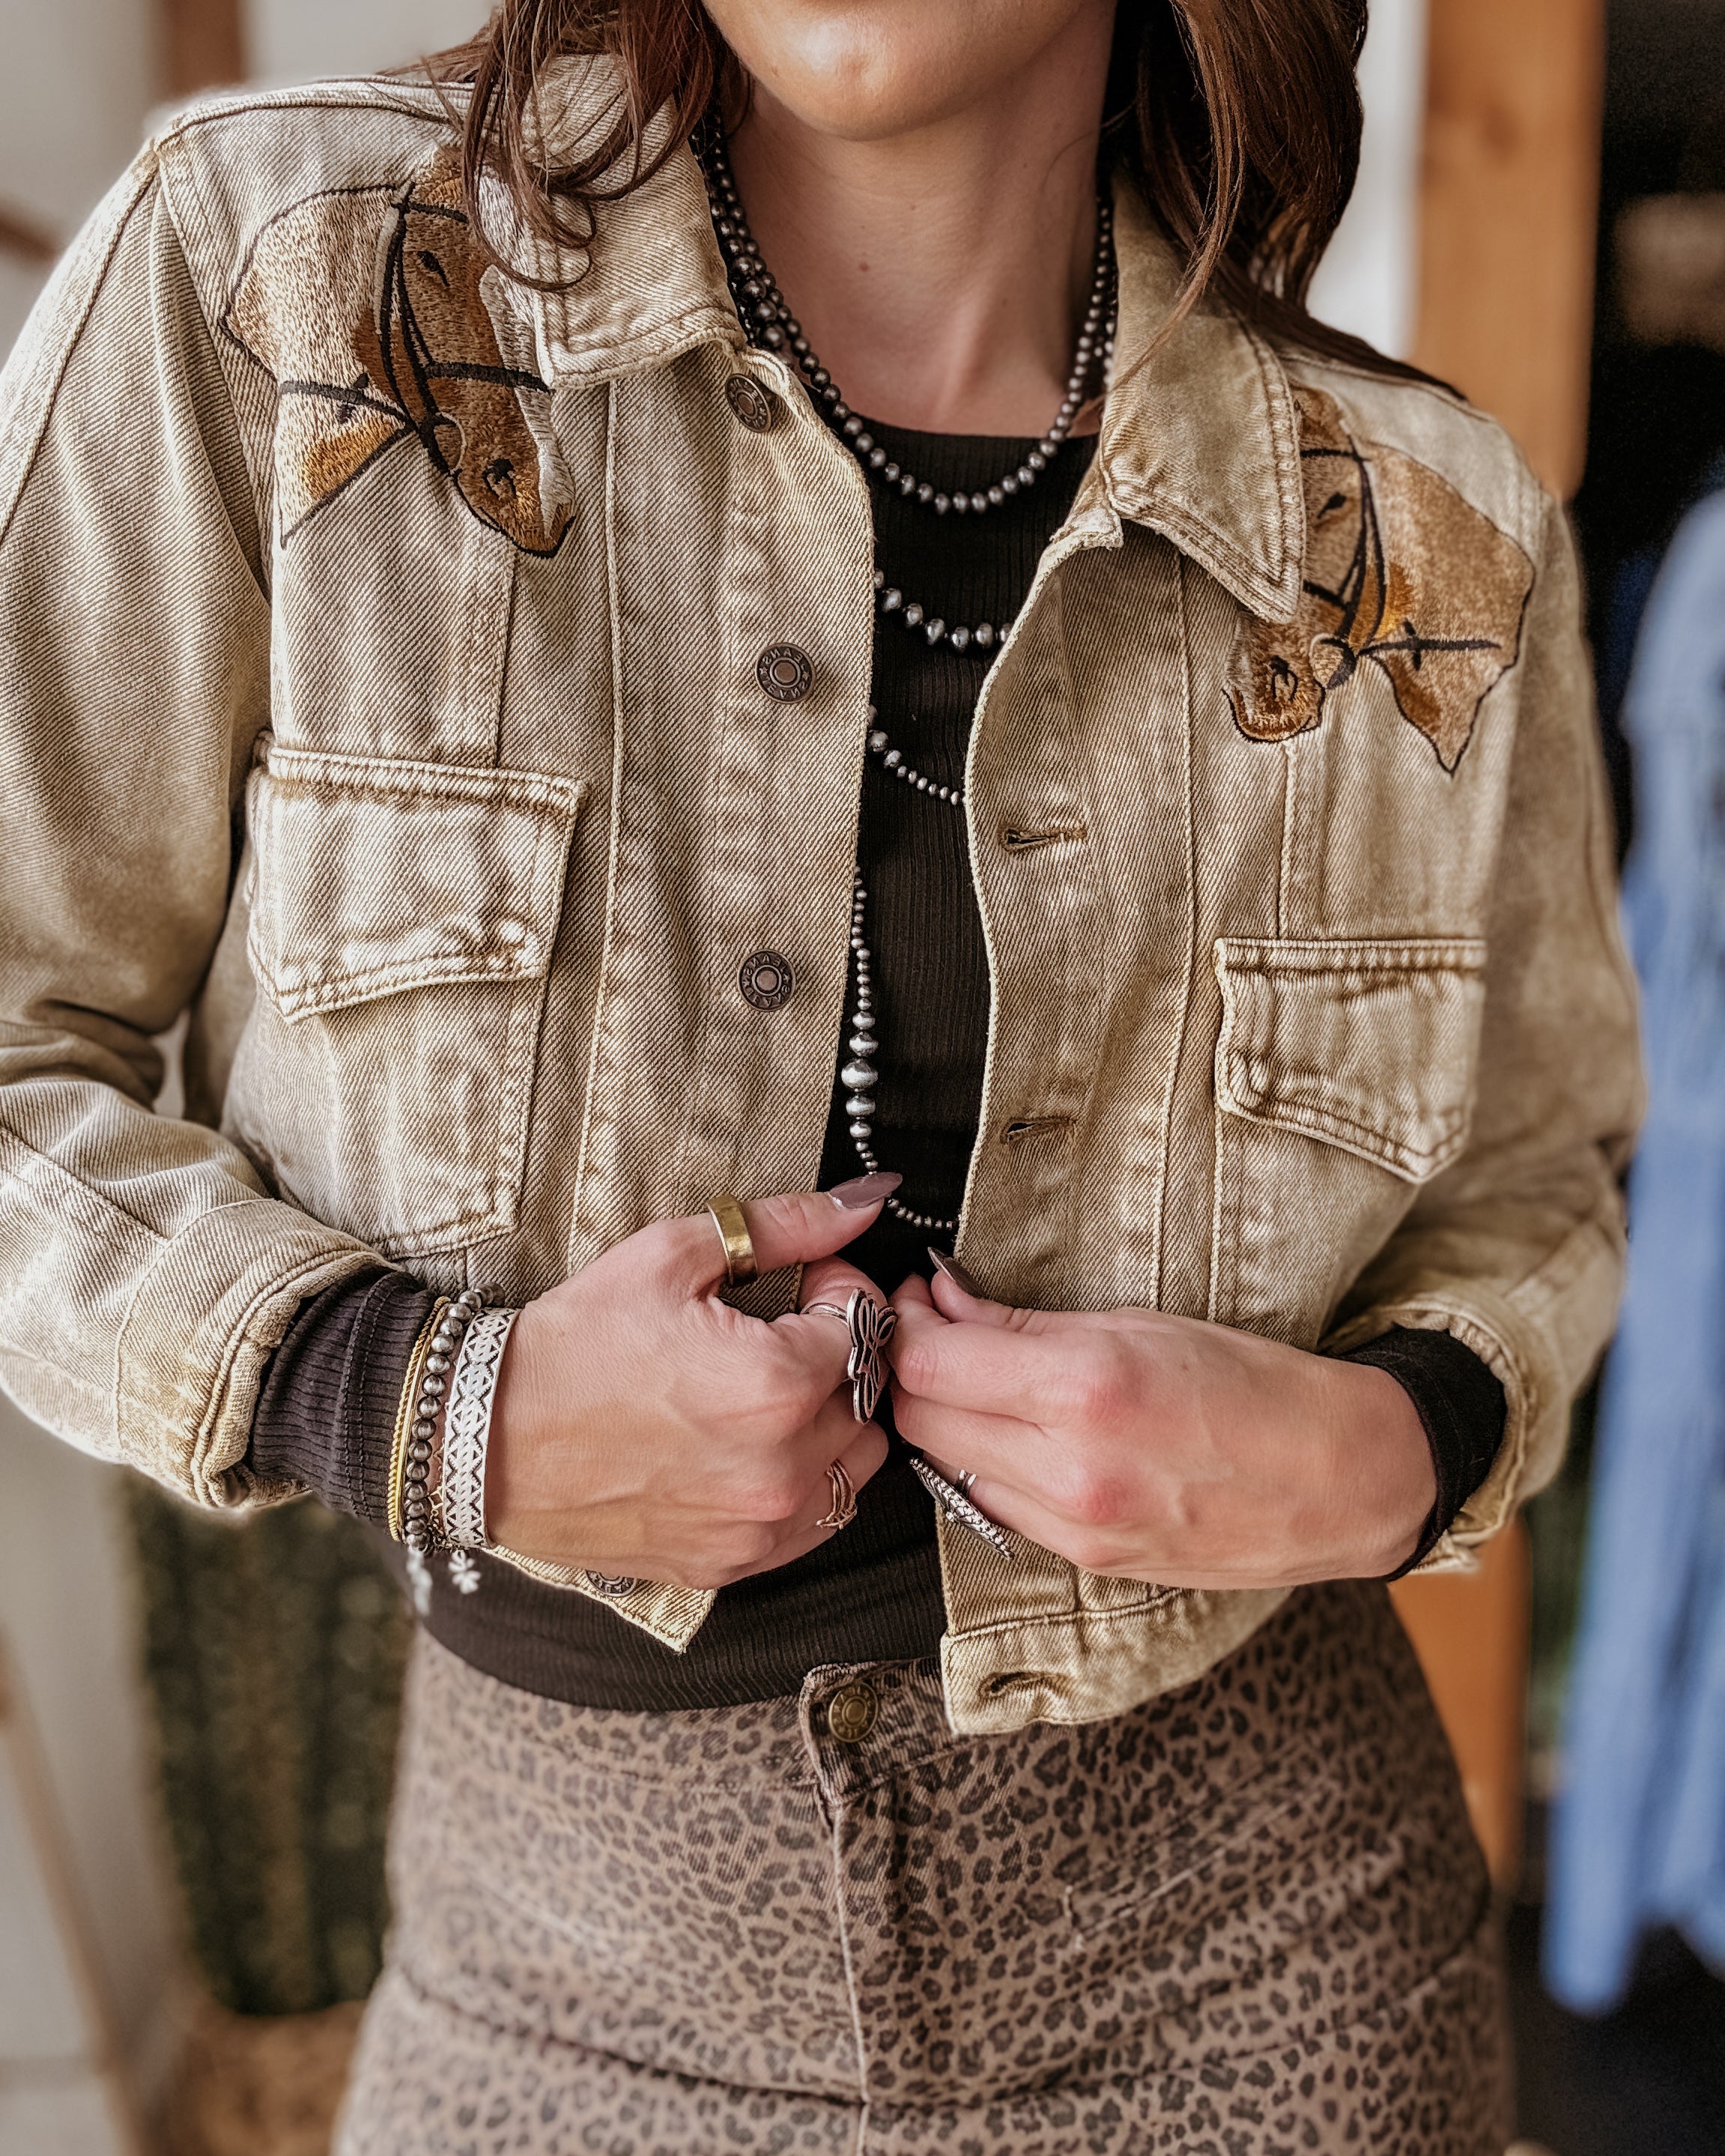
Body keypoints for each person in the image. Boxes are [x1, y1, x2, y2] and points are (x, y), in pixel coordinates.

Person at [0, 2, 1640, 2149]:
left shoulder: (1422, 532)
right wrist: (420, 1404)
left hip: (1273, 1955)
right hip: (558, 1978)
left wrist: (1388, 1449)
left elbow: (1535, 1188)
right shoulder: (284, 285)